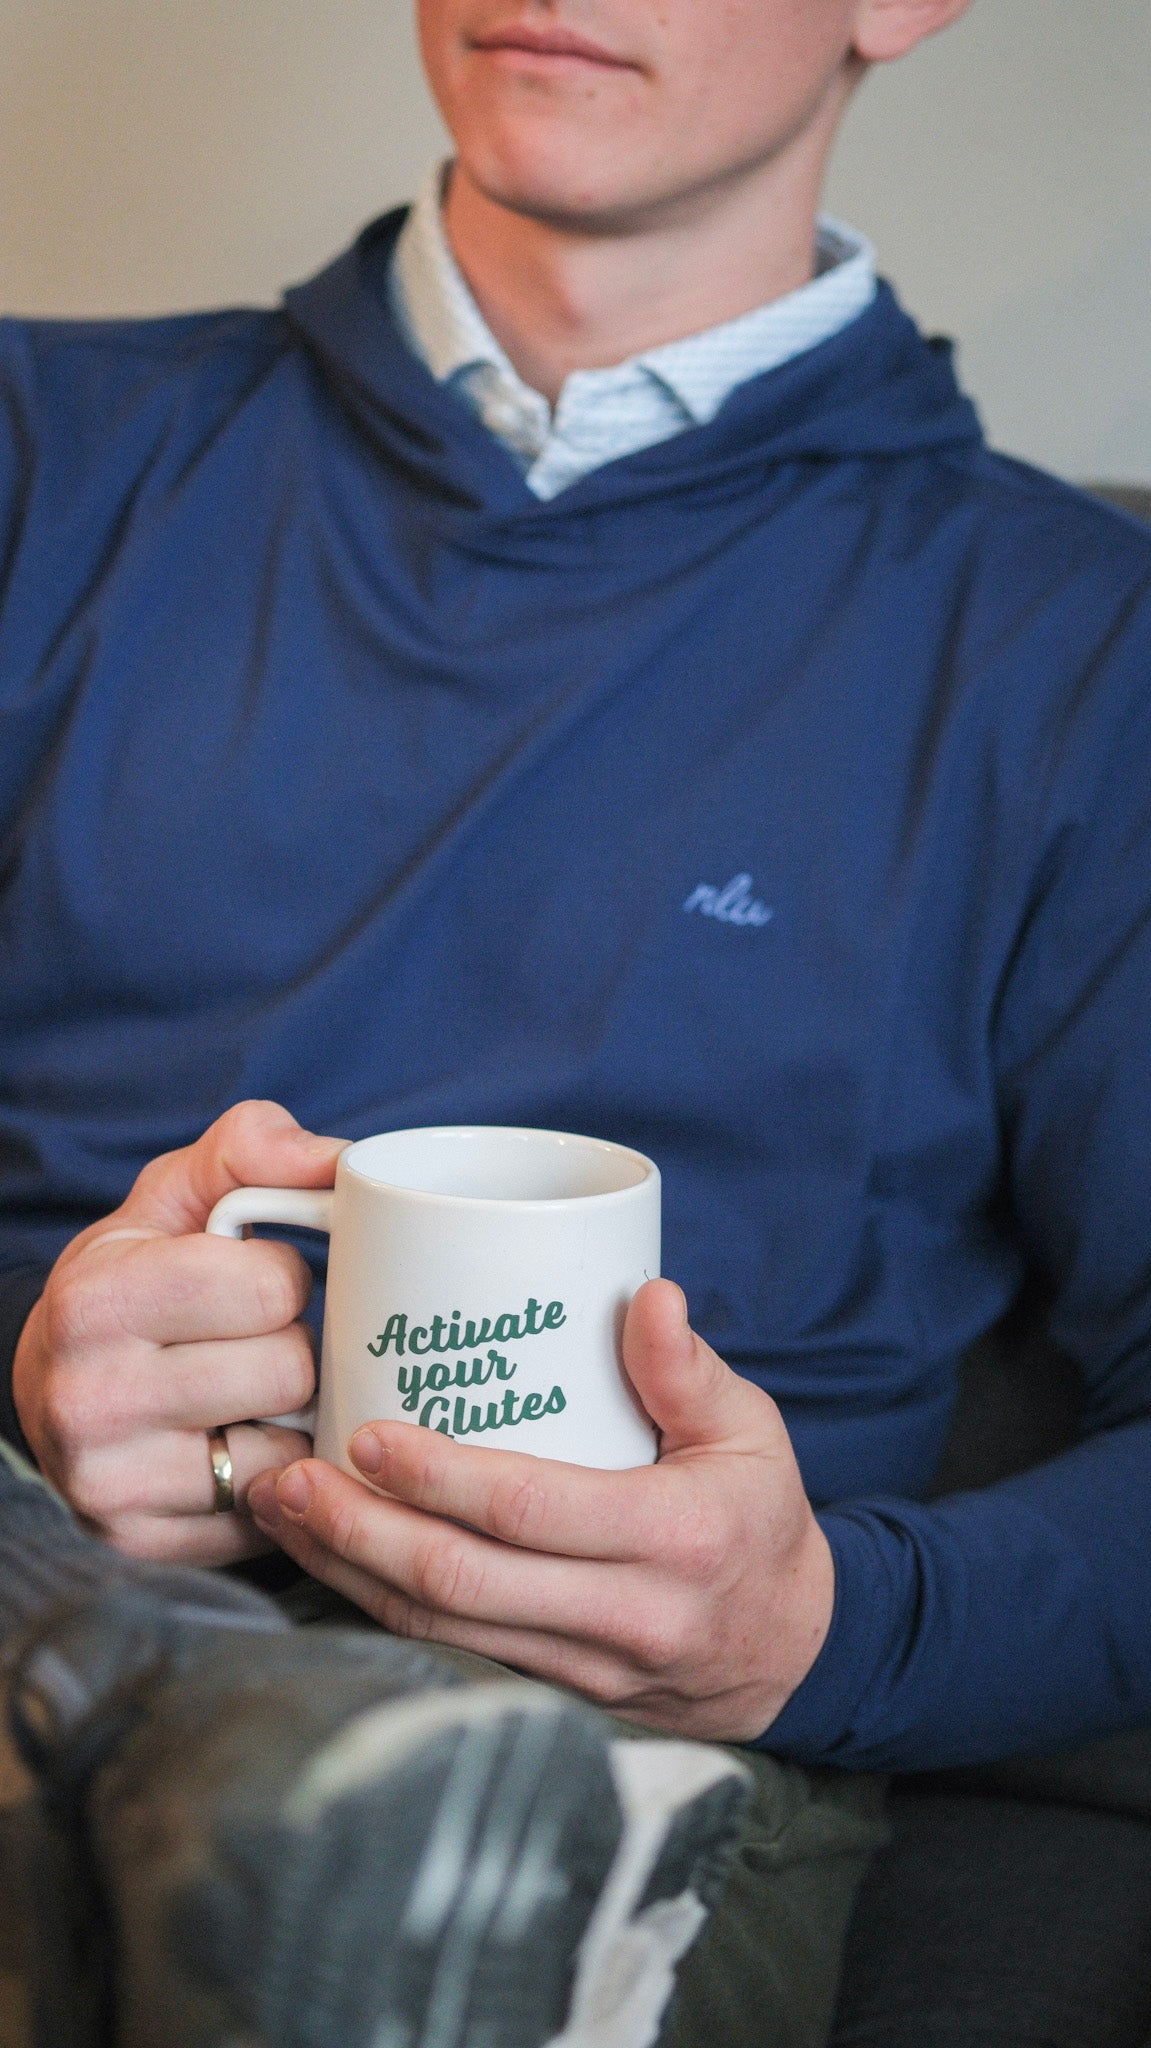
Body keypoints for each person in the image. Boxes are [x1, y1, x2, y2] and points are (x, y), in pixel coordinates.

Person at [2, 0, 1151, 2042]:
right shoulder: (43, 451)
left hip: (626, 1751)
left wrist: (816, 1630)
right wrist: (31, 1382)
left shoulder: (1081, 648)